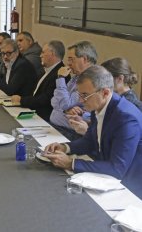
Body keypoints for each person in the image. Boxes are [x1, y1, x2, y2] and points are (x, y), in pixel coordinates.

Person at [44, 65, 142, 199]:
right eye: (79, 94)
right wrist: (65, 147)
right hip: (105, 174)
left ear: (105, 92)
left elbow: (117, 169)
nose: (80, 100)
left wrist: (70, 163)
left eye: (85, 95)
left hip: (129, 188)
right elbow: (90, 140)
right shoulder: (99, 105)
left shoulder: (126, 118)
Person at [69, 58, 142, 135]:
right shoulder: (109, 97)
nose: (100, 82)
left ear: (120, 79)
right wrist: (83, 118)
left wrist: (86, 130)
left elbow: (112, 135)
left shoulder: (129, 106)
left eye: (104, 78)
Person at [50, 41, 97, 140]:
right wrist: (66, 109)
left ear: (84, 59)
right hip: (57, 128)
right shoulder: (75, 78)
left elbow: (65, 103)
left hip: (71, 133)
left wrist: (61, 78)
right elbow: (54, 102)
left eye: (71, 60)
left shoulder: (90, 81)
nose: (68, 64)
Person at [10, 41, 66, 121]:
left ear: (52, 54)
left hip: (45, 117)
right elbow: (35, 93)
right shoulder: (45, 71)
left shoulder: (61, 74)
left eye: (43, 52)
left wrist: (22, 100)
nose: (40, 56)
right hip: (33, 110)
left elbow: (45, 99)